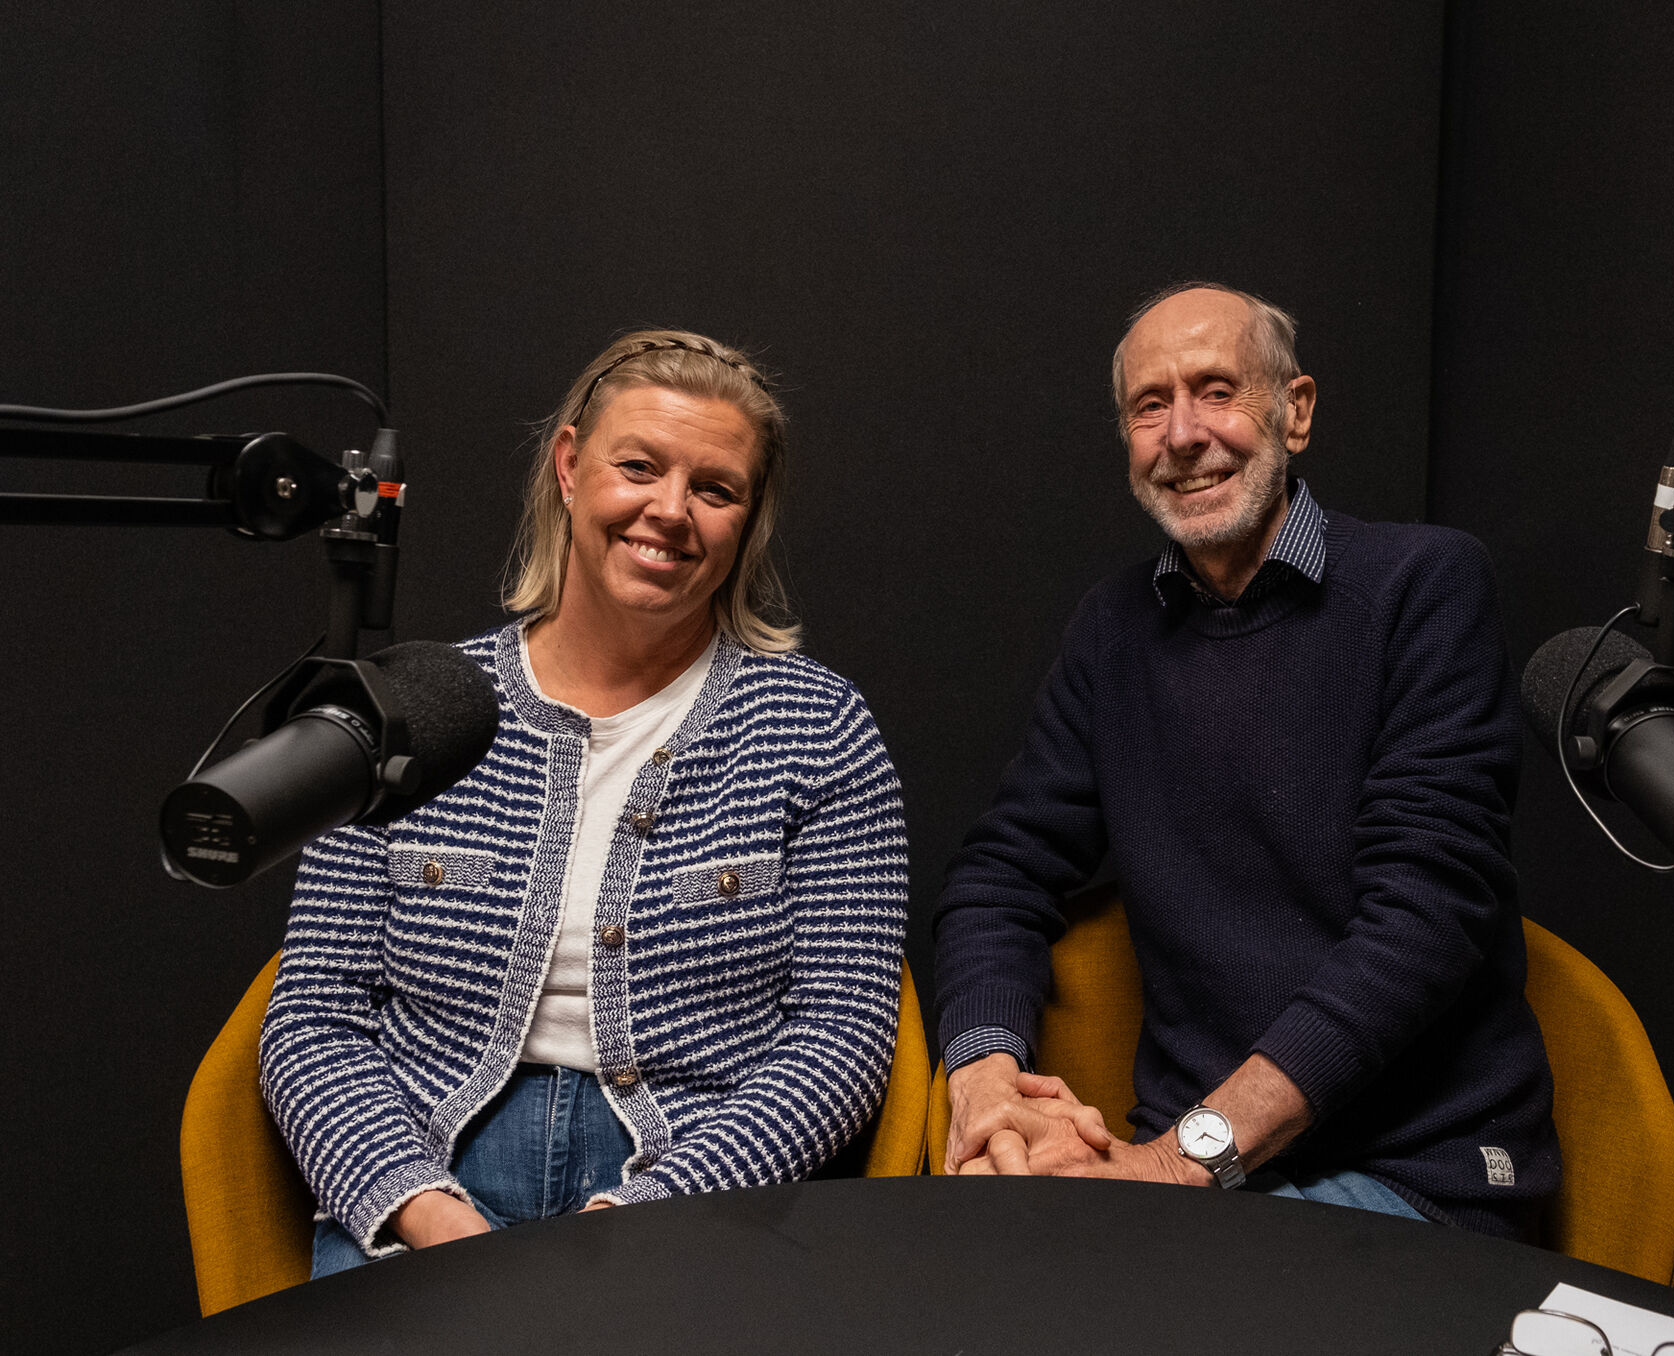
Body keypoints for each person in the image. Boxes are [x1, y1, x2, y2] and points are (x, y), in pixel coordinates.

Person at [262, 330, 909, 1273]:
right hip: (425, 1163)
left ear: (747, 519)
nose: (671, 511)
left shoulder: (819, 726)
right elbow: (312, 1017)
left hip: (701, 1177)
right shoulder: (410, 711)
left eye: (716, 489)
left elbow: (843, 1036)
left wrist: (650, 1210)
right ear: (570, 467)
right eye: (638, 466)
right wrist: (427, 1213)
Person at [932, 284, 1559, 1238]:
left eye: (1217, 390)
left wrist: (1180, 1164)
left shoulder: (1423, 586)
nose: (1183, 434)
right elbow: (1000, 876)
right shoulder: (1114, 632)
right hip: (1200, 1182)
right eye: (1150, 406)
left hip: (1417, 1175)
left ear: (1295, 411)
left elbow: (1425, 922)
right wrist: (986, 1087)